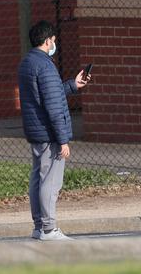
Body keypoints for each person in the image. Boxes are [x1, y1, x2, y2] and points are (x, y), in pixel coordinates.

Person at [18, 20, 90, 241]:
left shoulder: (28, 62)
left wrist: (72, 85)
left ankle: (39, 226)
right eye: (54, 41)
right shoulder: (45, 65)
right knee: (51, 181)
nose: (54, 44)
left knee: (38, 178)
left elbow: (49, 94)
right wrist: (63, 139)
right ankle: (49, 228)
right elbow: (53, 105)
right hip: (49, 134)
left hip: (36, 130)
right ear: (48, 40)